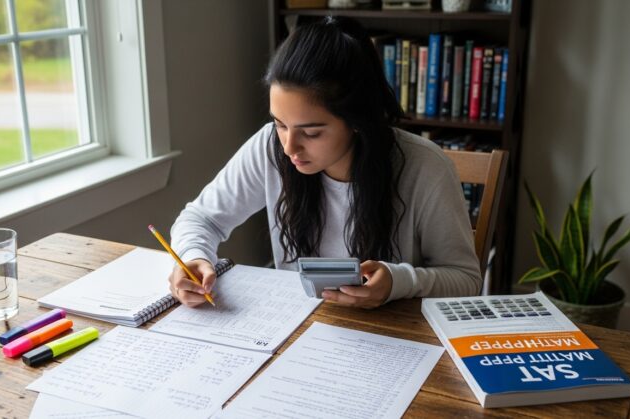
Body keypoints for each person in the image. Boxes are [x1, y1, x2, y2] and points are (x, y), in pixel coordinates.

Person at [168, 16, 480, 309]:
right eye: (280, 123)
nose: (290, 147)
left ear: (356, 121)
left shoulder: (423, 166)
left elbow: (465, 280)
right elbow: (201, 219)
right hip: (299, 327)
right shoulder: (269, 146)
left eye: (312, 132)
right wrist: (194, 257)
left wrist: (399, 281)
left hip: (394, 336)